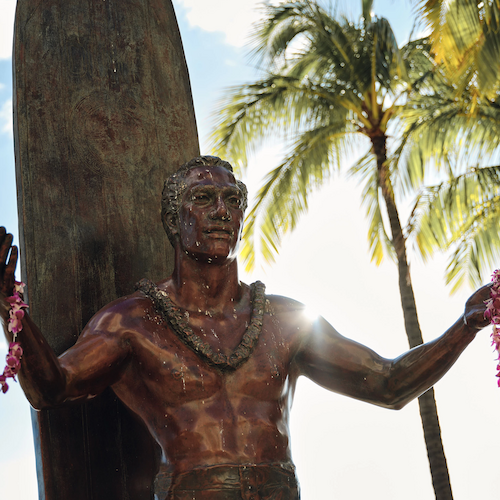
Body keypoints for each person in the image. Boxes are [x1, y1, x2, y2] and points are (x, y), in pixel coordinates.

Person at [0, 155, 492, 499]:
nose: (220, 211)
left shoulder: (286, 319)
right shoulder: (133, 322)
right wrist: (9, 305)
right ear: (174, 218)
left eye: (231, 200)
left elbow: (388, 383)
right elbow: (51, 388)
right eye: (203, 197)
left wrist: (466, 326)